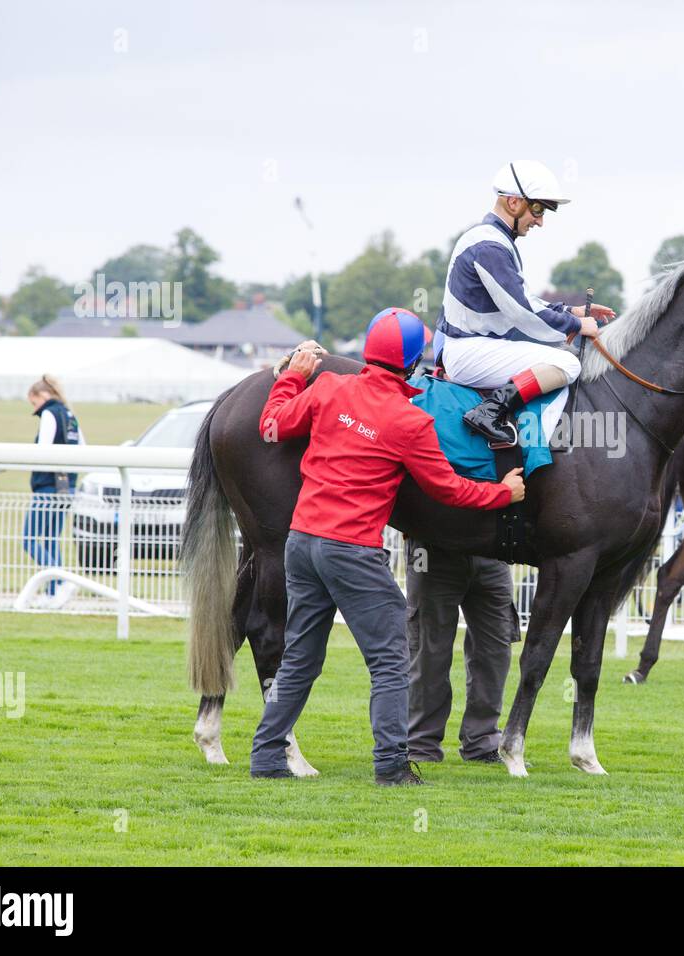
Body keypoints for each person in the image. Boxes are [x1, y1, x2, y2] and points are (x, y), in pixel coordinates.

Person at [249, 309, 525, 786]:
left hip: (302, 543)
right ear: (414, 361)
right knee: (391, 658)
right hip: (352, 551)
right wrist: (504, 493)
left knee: (300, 658)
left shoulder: (329, 389)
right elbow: (450, 491)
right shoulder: (409, 421)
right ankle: (392, 767)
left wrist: (292, 377)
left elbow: (271, 427)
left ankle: (267, 756)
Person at [437, 160, 615, 447]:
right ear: (513, 202)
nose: (540, 221)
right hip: (470, 351)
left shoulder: (494, 240)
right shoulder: (489, 246)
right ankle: (490, 411)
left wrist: (569, 312)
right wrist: (577, 325)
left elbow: (524, 300)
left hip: (475, 346)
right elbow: (523, 311)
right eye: (537, 210)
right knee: (568, 364)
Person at [404, 538, 518, 764]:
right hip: (432, 549)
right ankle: (420, 744)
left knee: (494, 654)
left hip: (492, 551)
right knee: (428, 654)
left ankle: (483, 742)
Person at [25, 375, 84, 607]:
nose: (35, 409)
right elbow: (83, 448)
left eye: (33, 403)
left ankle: (60, 582)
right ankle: (53, 594)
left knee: (29, 539)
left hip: (48, 486)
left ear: (41, 396)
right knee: (51, 539)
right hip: (68, 486)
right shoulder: (71, 415)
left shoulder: (49, 413)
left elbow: (44, 450)